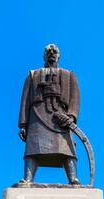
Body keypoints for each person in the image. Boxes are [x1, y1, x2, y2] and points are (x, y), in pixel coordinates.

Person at [18, 44, 81, 185]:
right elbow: (25, 100)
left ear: (59, 56)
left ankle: (73, 178)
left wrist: (71, 117)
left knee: (67, 149)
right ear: (44, 56)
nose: (52, 54)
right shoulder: (33, 75)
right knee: (33, 148)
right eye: (49, 52)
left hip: (61, 118)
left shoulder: (69, 75)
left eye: (55, 52)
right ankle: (28, 178)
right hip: (37, 116)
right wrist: (23, 124)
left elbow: (75, 99)